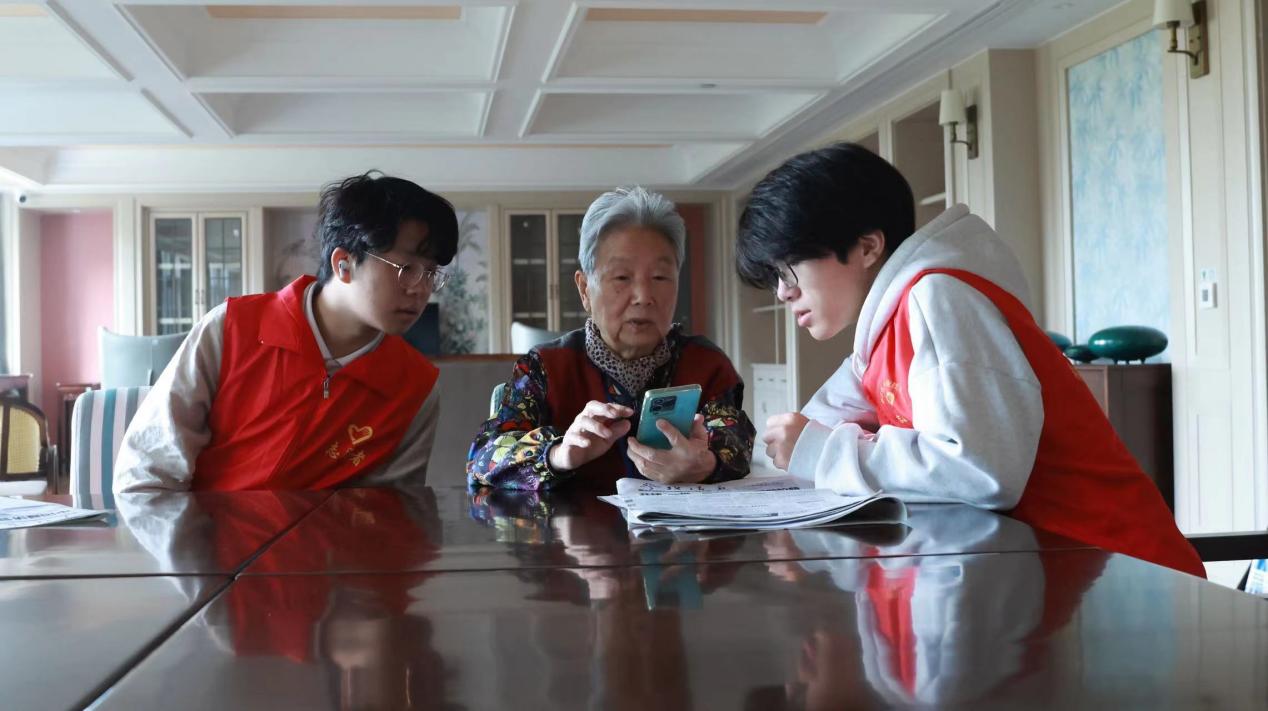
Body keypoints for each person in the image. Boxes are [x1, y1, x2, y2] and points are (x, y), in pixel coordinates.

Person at [739, 142, 1203, 577]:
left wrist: (824, 449)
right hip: (1057, 569)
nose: (783, 292)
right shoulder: (881, 334)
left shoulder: (938, 298)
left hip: (1122, 571)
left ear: (867, 247)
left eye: (789, 268)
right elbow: (801, 437)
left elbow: (978, 471)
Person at [115, 171, 458, 492]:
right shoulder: (231, 330)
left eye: (430, 273)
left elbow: (393, 510)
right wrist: (187, 538)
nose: (421, 289)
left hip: (330, 539)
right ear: (344, 264)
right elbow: (145, 472)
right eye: (406, 268)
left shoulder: (415, 386)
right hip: (203, 534)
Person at [468, 186, 755, 490]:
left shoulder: (705, 364)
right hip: (570, 522)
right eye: (622, 277)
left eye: (660, 277)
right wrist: (557, 454)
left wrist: (705, 463)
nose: (643, 296)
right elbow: (484, 459)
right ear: (584, 289)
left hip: (675, 522)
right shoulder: (545, 368)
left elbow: (737, 442)